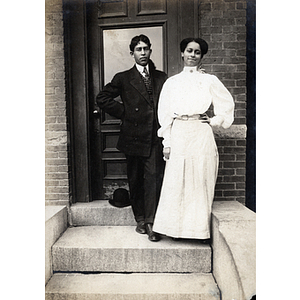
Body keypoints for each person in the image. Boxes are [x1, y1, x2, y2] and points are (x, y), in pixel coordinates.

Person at [152, 37, 234, 241]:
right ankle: (170, 228)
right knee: (175, 179)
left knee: (200, 179)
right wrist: (167, 142)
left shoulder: (209, 80)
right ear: (182, 53)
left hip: (200, 132)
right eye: (189, 51)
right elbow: (164, 115)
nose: (192, 55)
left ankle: (198, 231)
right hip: (179, 131)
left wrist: (215, 121)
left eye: (197, 52)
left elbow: (226, 104)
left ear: (202, 56)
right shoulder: (172, 82)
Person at [96, 34, 167, 242]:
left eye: (146, 49)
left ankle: (152, 223)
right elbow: (102, 98)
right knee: (136, 180)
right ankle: (140, 218)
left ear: (150, 51)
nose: (143, 53)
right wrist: (124, 111)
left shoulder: (162, 77)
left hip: (155, 137)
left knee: (153, 178)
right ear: (132, 53)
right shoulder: (123, 77)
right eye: (138, 49)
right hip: (133, 137)